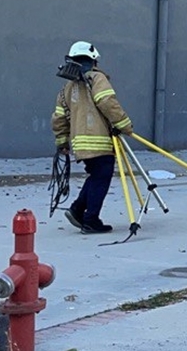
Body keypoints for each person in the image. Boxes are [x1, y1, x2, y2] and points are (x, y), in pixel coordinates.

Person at [51, 41, 133, 234]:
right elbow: (107, 102)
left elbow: (59, 117)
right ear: (94, 60)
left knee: (96, 175)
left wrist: (62, 142)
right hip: (99, 140)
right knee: (101, 176)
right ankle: (91, 219)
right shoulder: (97, 78)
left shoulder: (66, 88)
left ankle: (78, 210)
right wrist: (125, 125)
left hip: (80, 142)